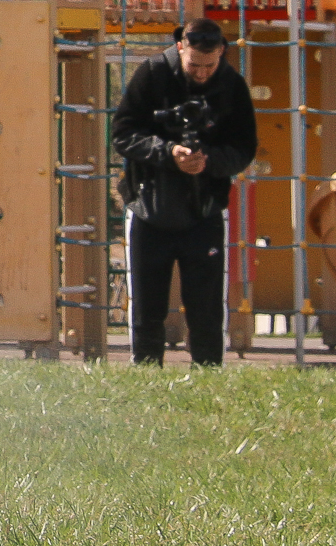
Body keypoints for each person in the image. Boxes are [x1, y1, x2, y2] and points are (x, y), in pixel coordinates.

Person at [109, 18, 257, 366]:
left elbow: (244, 146)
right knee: (147, 302)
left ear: (221, 53)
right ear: (180, 48)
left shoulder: (232, 85)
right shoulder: (152, 73)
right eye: (195, 65)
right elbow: (123, 134)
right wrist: (167, 152)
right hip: (150, 204)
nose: (202, 73)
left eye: (210, 65)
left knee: (207, 303)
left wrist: (210, 161)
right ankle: (145, 369)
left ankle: (208, 369)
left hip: (203, 208)